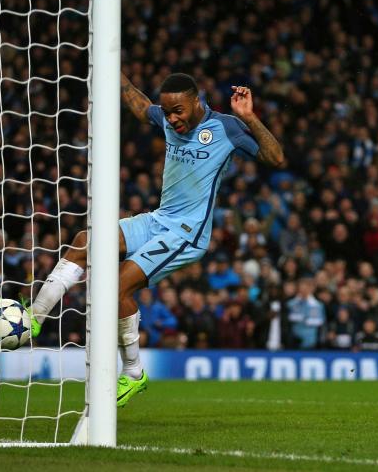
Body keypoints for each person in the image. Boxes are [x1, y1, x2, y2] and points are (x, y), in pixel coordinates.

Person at [28, 73, 284, 407]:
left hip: (187, 233)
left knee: (116, 287)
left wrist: (249, 118)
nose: (172, 118)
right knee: (81, 242)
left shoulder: (226, 128)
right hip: (158, 220)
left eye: (178, 110)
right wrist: (112, 66)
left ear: (196, 101)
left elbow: (275, 158)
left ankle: (134, 374)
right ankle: (33, 317)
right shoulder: (164, 117)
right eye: (167, 112)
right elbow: (139, 103)